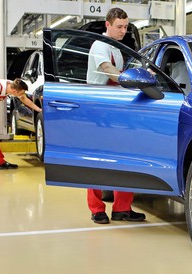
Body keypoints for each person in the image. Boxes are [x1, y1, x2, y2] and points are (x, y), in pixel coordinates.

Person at [85, 7, 146, 224]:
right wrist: (129, 79)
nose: (123, 31)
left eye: (126, 27)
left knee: (124, 159)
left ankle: (122, 208)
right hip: (99, 109)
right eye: (119, 27)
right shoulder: (99, 45)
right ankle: (97, 209)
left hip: (117, 109)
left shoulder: (117, 48)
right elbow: (107, 69)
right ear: (107, 25)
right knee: (98, 162)